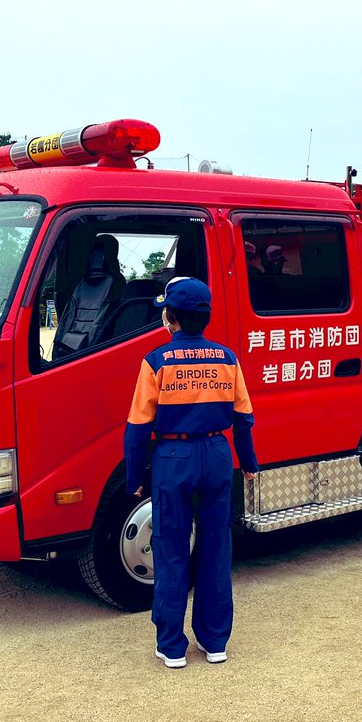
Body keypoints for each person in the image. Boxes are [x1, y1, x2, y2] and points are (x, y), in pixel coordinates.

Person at [124, 277, 258, 668]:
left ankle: (171, 646)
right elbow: (244, 418)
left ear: (172, 318)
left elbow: (137, 427)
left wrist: (135, 479)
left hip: (173, 457)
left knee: (171, 550)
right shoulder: (227, 359)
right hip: (218, 454)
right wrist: (247, 462)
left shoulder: (156, 362)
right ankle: (215, 642)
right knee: (216, 549)